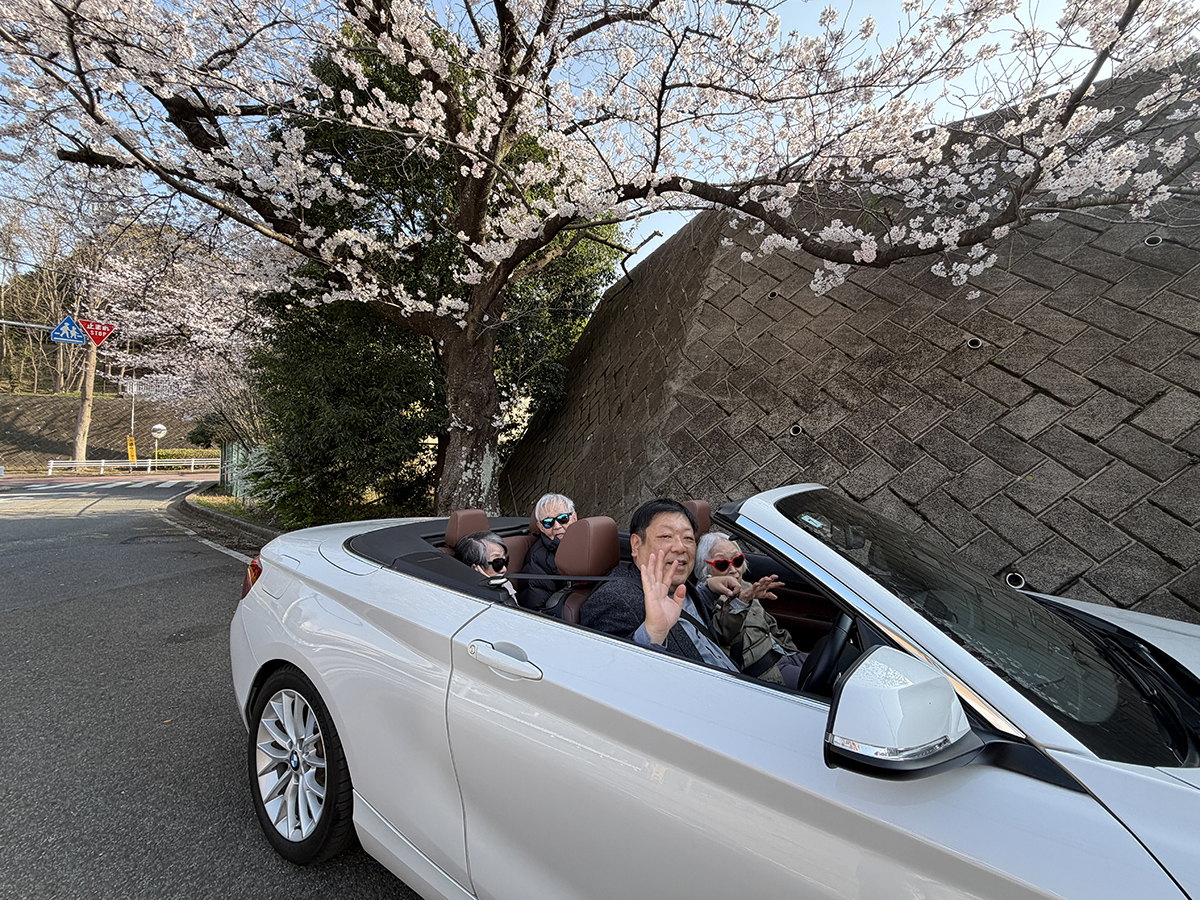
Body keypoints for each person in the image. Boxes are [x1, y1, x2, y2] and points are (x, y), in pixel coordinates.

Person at [581, 499, 809, 689]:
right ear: (636, 545)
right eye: (666, 536)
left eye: (688, 538)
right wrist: (653, 634)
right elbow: (610, 684)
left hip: (739, 684)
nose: (681, 547)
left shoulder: (683, 587)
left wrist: (710, 588)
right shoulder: (614, 598)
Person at [694, 532, 804, 685]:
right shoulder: (703, 600)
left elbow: (770, 626)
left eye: (737, 560)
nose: (733, 569)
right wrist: (741, 602)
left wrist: (790, 649)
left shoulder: (746, 586)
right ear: (705, 568)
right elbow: (724, 635)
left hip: (784, 653)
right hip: (765, 671)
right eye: (722, 564)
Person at [518, 493, 577, 611]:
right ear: (541, 527)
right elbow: (536, 611)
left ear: (574, 517)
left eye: (563, 518)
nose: (557, 526)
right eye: (548, 522)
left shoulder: (590, 539)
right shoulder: (536, 562)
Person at [455, 530, 518, 604]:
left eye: (505, 561)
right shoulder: (464, 596)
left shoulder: (504, 583)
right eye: (497, 563)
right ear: (475, 568)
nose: (504, 569)